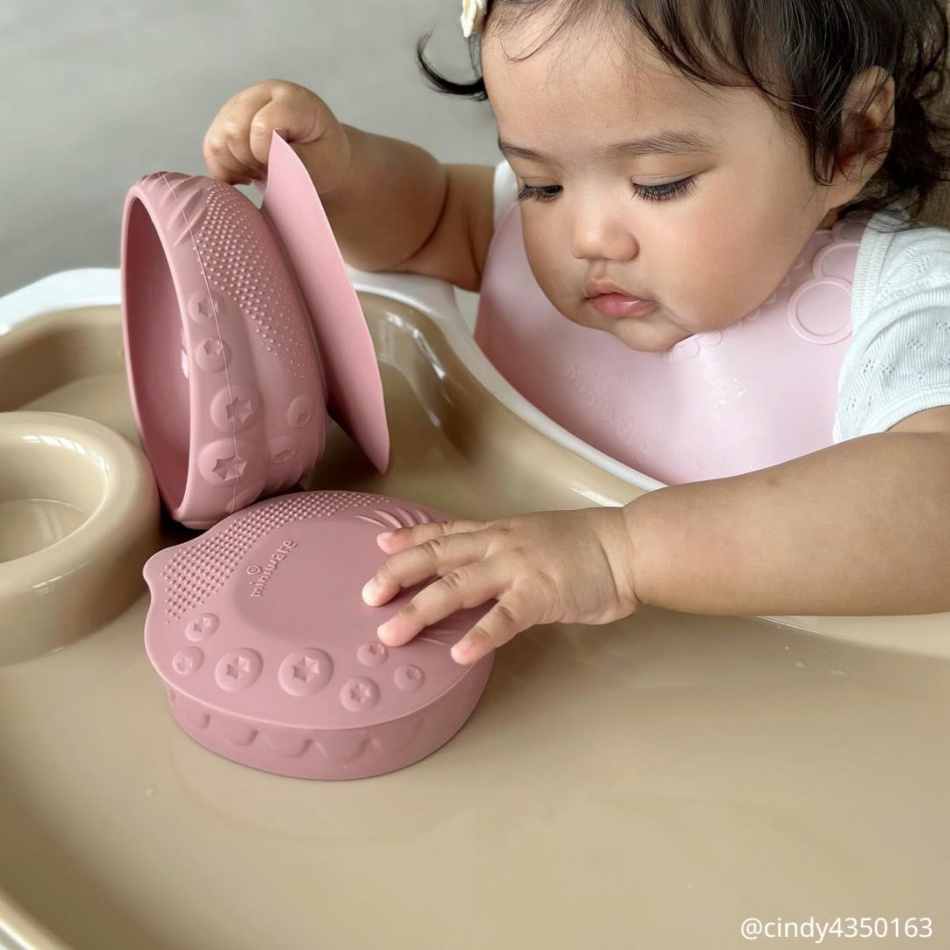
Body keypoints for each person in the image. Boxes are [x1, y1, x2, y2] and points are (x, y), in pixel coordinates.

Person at [204, 0, 950, 666]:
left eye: (658, 183)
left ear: (852, 139)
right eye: (541, 183)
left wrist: (621, 552)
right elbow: (430, 218)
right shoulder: (549, 237)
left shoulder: (905, 304)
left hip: (747, 696)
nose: (588, 235)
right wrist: (337, 171)